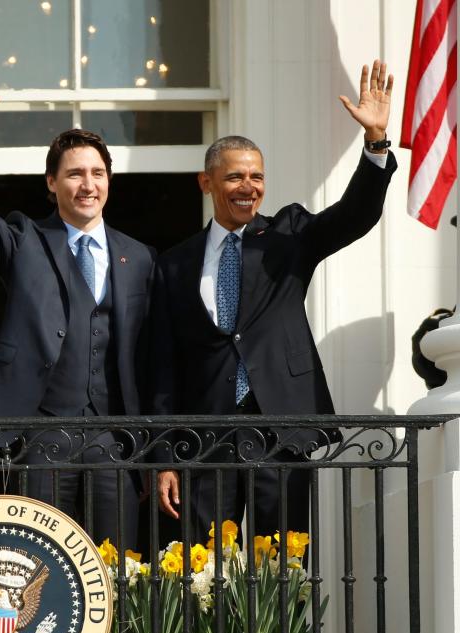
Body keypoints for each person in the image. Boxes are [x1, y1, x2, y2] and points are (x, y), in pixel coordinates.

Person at [154, 60, 396, 543]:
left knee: (282, 567)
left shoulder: (288, 233)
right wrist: (165, 456)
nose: (249, 188)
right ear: (207, 183)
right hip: (205, 438)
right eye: (234, 178)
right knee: (203, 570)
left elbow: (355, 215)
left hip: (280, 426)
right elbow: (165, 365)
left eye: (256, 177)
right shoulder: (175, 263)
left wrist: (375, 144)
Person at [0, 68, 162, 546]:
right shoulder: (24, 239)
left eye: (98, 173)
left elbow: (150, 354)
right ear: (51, 182)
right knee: (41, 561)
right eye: (75, 173)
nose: (88, 184)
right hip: (41, 434)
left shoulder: (139, 256)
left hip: (113, 438)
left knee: (115, 564)